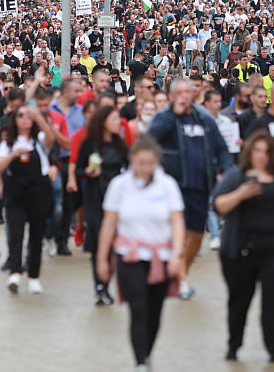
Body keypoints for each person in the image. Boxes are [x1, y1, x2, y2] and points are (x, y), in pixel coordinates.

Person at [96, 137, 185, 372]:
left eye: (150, 163)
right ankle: (140, 363)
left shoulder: (167, 185)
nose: (145, 167)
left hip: (161, 256)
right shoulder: (119, 185)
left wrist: (177, 255)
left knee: (155, 311)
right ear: (132, 160)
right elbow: (109, 224)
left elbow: (177, 221)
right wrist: (102, 258)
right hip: (130, 256)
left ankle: (146, 354)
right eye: (141, 162)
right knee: (138, 307)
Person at [212, 131, 274, 363]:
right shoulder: (237, 175)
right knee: (239, 301)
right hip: (241, 250)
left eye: (267, 152)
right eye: (257, 151)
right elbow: (218, 205)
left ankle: (273, 348)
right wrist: (240, 194)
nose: (261, 156)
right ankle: (233, 345)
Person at [147, 77, 234, 299]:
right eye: (181, 92)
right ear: (172, 96)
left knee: (196, 237)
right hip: (174, 185)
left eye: (189, 92)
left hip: (200, 184)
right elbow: (149, 141)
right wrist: (174, 113)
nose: (186, 96)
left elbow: (221, 148)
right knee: (179, 233)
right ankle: (182, 279)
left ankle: (178, 270)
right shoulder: (164, 117)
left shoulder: (203, 118)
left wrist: (229, 174)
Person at [0, 105, 59, 295]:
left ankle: (34, 277)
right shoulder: (8, 143)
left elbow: (51, 138)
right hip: (16, 193)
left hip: (39, 192)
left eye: (28, 116)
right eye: (20, 115)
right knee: (16, 233)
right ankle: (14, 272)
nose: (24, 119)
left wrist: (38, 116)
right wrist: (13, 154)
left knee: (36, 236)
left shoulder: (38, 141)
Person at [74, 104, 131, 304]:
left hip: (116, 200)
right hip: (95, 197)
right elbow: (78, 169)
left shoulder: (121, 145)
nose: (119, 123)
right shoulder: (89, 144)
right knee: (99, 241)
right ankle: (99, 286)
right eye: (115, 119)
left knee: (114, 244)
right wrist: (87, 173)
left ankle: (107, 284)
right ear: (104, 122)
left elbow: (130, 168)